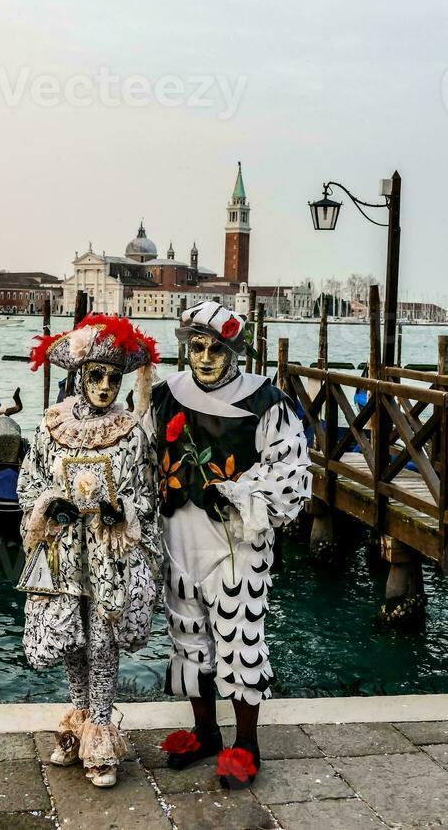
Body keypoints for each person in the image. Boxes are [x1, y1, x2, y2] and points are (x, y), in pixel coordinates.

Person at [145, 301, 311, 789]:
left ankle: (246, 744)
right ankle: (205, 732)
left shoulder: (267, 401)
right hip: (178, 534)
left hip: (236, 542)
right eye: (197, 347)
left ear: (235, 351)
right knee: (188, 634)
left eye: (218, 348)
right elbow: (137, 451)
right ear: (185, 347)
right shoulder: (164, 395)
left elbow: (292, 473)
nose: (206, 357)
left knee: (241, 640)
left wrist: (242, 492)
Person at [17, 314, 160, 789]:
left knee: (102, 641)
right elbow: (30, 480)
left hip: (108, 554)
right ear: (79, 376)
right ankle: (79, 722)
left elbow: (146, 492)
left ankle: (101, 736)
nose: (104, 386)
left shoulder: (130, 431)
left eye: (113, 378)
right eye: (95, 375)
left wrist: (122, 514)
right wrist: (47, 505)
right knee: (72, 642)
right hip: (62, 552)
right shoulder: (52, 425)